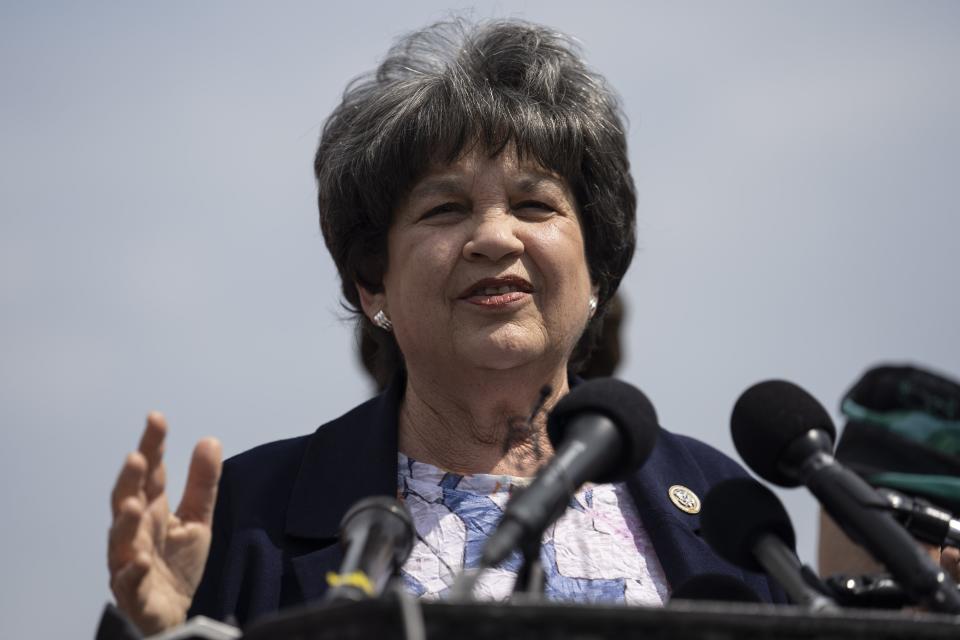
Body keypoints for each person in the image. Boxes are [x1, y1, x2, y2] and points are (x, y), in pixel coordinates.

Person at [107, 19, 785, 634]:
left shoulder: (723, 511)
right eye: (444, 209)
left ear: (597, 270)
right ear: (374, 282)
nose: (495, 237)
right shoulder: (250, 517)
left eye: (533, 203)